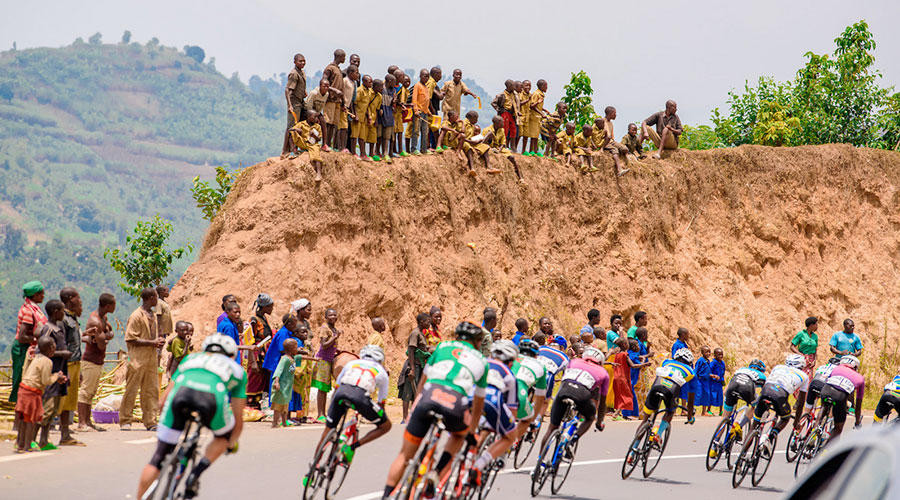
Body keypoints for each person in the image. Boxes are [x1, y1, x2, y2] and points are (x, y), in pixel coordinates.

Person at [382, 322, 487, 499]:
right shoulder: (482, 360)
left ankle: (386, 496)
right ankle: (436, 472)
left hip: (429, 397)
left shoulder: (442, 346)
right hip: (455, 403)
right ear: (478, 342)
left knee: (404, 455)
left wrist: (416, 405)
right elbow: (478, 404)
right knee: (458, 435)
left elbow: (423, 380)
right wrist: (472, 429)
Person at [136, 334, 246, 499]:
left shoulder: (190, 359)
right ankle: (196, 473)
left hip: (181, 397)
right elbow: (238, 420)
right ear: (231, 355)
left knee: (157, 459)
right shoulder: (237, 370)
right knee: (223, 436)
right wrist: (229, 443)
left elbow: (163, 401)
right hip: (211, 400)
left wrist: (166, 424)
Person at [312, 344, 392, 468]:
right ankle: (351, 447)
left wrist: (332, 411)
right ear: (380, 359)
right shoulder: (382, 372)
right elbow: (381, 404)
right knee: (386, 426)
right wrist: (374, 413)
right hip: (361, 398)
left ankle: (314, 465)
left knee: (329, 429)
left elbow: (337, 387)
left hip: (341, 393)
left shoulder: (352, 364)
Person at [628, 348, 697, 462]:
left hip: (656, 386)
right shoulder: (691, 372)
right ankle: (658, 434)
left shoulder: (666, 362)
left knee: (645, 419)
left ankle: (632, 451)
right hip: (671, 390)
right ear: (689, 362)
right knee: (670, 412)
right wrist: (689, 417)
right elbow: (690, 399)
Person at [538, 346, 608, 456]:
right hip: (582, 394)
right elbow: (602, 402)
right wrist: (599, 422)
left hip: (563, 391)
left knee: (552, 428)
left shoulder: (574, 361)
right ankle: (572, 440)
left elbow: (564, 380)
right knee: (590, 418)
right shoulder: (603, 372)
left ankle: (539, 463)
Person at [469, 340, 521, 486]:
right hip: (491, 401)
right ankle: (478, 465)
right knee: (511, 435)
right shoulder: (510, 375)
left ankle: (464, 456)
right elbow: (512, 411)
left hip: (468, 397)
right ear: (510, 361)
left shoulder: (481, 362)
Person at [120, 287, 165, 431]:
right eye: (156, 297)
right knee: (131, 389)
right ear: (151, 297)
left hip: (151, 358)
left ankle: (151, 421)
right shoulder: (136, 316)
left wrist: (157, 342)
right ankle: (125, 419)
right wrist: (152, 343)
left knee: (151, 390)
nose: (157, 299)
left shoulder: (152, 315)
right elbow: (130, 338)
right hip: (137, 358)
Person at [748, 354, 809, 457]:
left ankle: (741, 457)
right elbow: (800, 403)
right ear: (801, 366)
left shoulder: (778, 367)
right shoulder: (804, 376)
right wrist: (796, 422)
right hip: (780, 396)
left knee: (754, 425)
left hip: (766, 391)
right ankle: (770, 436)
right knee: (785, 418)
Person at [15, 335, 65, 453]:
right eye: (53, 346)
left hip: (23, 389)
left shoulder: (37, 358)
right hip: (32, 392)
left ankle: (20, 444)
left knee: (23, 418)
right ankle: (27, 446)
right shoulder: (47, 361)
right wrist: (57, 376)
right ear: (50, 349)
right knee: (31, 420)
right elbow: (45, 381)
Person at [708, 358, 766, 458]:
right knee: (753, 407)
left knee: (725, 416)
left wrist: (728, 403)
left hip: (732, 387)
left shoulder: (741, 369)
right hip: (747, 389)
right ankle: (739, 425)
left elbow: (725, 391)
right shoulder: (762, 376)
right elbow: (762, 394)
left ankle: (714, 445)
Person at [59, 287, 92, 446]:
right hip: (67, 364)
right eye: (77, 297)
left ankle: (65, 434)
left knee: (69, 401)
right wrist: (64, 368)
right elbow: (61, 344)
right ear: (71, 298)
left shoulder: (72, 318)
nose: (80, 300)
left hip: (75, 363)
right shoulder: (63, 319)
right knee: (61, 401)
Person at [79, 292, 116, 431]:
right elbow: (102, 344)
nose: (115, 307)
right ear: (107, 306)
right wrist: (106, 337)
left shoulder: (103, 318)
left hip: (98, 360)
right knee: (86, 391)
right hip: (91, 360)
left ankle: (88, 422)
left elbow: (107, 335)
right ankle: (82, 423)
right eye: (113, 304)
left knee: (91, 392)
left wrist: (104, 336)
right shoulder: (96, 321)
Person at [37, 299, 70, 449]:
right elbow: (41, 351)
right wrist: (62, 353)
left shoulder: (57, 328)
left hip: (59, 373)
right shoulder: (48, 329)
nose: (64, 313)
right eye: (62, 310)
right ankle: (32, 438)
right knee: (47, 408)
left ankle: (44, 440)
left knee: (53, 410)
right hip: (50, 374)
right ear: (56, 311)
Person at [10, 281, 46, 414]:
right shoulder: (28, 311)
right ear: (35, 295)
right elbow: (22, 336)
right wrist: (38, 340)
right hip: (22, 349)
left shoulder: (34, 308)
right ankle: (19, 416)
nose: (43, 295)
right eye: (41, 293)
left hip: (30, 347)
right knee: (21, 380)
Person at [819, 355, 864, 443]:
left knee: (823, 408)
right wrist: (857, 422)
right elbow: (858, 406)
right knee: (838, 428)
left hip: (826, 390)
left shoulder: (836, 368)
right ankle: (826, 450)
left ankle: (816, 429)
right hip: (840, 396)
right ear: (855, 367)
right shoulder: (860, 378)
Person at [399, 312, 431, 423]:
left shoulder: (421, 334)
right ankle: (404, 418)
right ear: (421, 322)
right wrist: (412, 369)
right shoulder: (415, 333)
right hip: (413, 366)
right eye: (427, 321)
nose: (429, 323)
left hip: (419, 366)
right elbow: (411, 351)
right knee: (407, 392)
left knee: (415, 391)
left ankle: (412, 417)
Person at [313, 308, 342, 423]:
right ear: (325, 317)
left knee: (325, 387)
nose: (333, 317)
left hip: (329, 360)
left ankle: (324, 413)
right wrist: (335, 337)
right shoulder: (325, 328)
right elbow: (324, 345)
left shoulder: (333, 328)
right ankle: (320, 414)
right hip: (323, 361)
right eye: (330, 315)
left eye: (335, 315)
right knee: (322, 388)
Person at [247, 293, 274, 407]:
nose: (272, 308)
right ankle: (250, 404)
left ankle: (259, 404)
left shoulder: (264, 318)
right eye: (270, 306)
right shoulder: (254, 320)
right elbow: (250, 340)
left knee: (263, 378)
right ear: (264, 307)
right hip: (257, 353)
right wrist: (253, 361)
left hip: (264, 353)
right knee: (255, 377)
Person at [289, 110, 329, 182]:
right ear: (308, 117)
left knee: (316, 155)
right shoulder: (302, 124)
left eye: (317, 117)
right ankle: (293, 150)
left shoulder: (317, 126)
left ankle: (319, 174)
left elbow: (319, 139)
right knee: (293, 133)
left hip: (313, 144)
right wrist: (298, 130)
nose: (316, 119)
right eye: (314, 117)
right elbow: (292, 129)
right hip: (303, 143)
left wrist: (314, 136)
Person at [282, 53, 308, 157]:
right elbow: (287, 90)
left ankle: (300, 147)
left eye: (303, 61)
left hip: (301, 101)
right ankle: (285, 150)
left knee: (302, 124)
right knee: (291, 126)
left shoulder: (301, 72)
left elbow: (299, 86)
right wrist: (289, 105)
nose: (302, 63)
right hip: (294, 103)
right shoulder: (294, 74)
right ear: (295, 62)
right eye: (300, 61)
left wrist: (303, 92)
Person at [271, 338, 299, 427]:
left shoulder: (292, 359)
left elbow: (292, 368)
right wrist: (276, 382)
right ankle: (275, 422)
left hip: (287, 387)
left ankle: (284, 422)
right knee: (278, 405)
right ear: (290, 349)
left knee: (285, 405)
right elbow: (279, 370)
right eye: (295, 347)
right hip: (281, 386)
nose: (297, 349)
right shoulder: (284, 359)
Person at [322, 49, 346, 149]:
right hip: (330, 99)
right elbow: (323, 82)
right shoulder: (330, 69)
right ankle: (324, 144)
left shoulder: (338, 69)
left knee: (334, 124)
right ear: (339, 57)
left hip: (337, 101)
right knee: (327, 122)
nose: (344, 59)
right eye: (344, 57)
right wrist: (335, 91)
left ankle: (329, 144)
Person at [597, 106, 630, 176]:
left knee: (625, 148)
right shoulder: (602, 121)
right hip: (604, 141)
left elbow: (612, 136)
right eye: (614, 113)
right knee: (615, 150)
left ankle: (629, 162)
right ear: (610, 113)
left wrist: (615, 143)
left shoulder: (611, 123)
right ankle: (619, 170)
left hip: (611, 141)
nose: (615, 115)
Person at [410, 69, 432, 154]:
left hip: (425, 112)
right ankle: (413, 149)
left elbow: (426, 100)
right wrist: (415, 110)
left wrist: (428, 111)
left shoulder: (426, 87)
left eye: (427, 76)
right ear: (420, 76)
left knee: (425, 131)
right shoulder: (417, 85)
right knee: (416, 131)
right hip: (418, 112)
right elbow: (414, 99)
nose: (426, 78)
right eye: (424, 76)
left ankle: (424, 149)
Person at [524, 79, 548, 155]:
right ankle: (532, 150)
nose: (547, 88)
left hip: (538, 117)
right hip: (534, 116)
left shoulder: (540, 94)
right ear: (542, 86)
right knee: (533, 135)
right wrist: (541, 113)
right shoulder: (536, 94)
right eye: (546, 86)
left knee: (536, 135)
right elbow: (532, 105)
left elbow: (538, 106)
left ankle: (535, 150)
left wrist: (544, 110)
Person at [694, 346, 712, 416]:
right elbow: (696, 370)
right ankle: (691, 409)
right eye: (706, 352)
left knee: (706, 395)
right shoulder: (700, 360)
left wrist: (711, 375)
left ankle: (704, 412)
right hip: (700, 380)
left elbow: (707, 371)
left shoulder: (708, 361)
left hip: (706, 382)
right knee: (698, 395)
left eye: (709, 352)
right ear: (702, 353)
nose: (708, 353)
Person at [710, 347, 726, 415]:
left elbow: (723, 371)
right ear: (715, 355)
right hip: (713, 382)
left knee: (720, 396)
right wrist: (714, 376)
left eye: (722, 354)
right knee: (712, 395)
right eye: (719, 354)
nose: (721, 356)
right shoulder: (713, 363)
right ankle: (708, 409)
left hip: (719, 382)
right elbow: (709, 372)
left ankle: (720, 411)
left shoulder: (722, 363)